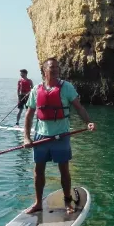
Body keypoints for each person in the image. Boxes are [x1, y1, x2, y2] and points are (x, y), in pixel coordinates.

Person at [23, 58, 96, 214]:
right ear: (44, 70)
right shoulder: (36, 90)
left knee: (64, 170)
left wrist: (88, 122)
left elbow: (79, 107)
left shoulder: (66, 87)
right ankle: (38, 203)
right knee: (38, 171)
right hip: (41, 137)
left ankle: (68, 201)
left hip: (61, 136)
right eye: (52, 67)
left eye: (57, 67)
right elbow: (29, 116)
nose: (55, 70)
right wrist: (26, 137)